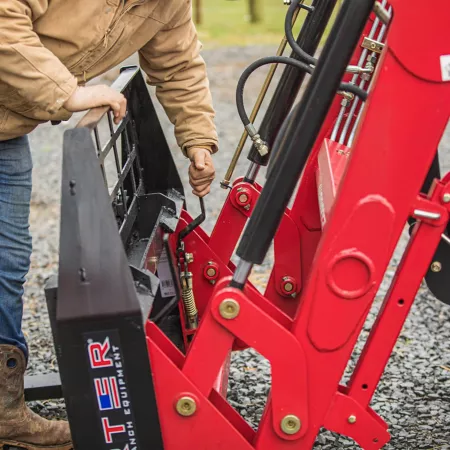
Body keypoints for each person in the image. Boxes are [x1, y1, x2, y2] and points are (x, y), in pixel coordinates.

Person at [0, 1, 218, 448]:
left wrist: (198, 140)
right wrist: (68, 93)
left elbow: (177, 64)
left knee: (7, 262)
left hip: (6, 130)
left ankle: (3, 411)